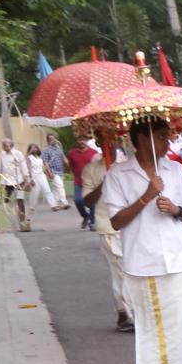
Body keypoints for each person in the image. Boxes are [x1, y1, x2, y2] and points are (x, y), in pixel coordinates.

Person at [100, 117, 182, 364]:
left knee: (178, 326)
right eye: (161, 137)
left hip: (177, 258)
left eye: (168, 136)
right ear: (141, 139)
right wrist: (146, 196)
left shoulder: (176, 170)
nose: (167, 142)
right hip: (141, 260)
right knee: (150, 327)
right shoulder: (119, 175)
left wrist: (176, 209)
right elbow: (116, 221)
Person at [80, 131, 134, 333]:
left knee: (127, 270)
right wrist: (104, 184)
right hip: (107, 226)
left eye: (114, 140)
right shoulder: (91, 169)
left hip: (131, 225)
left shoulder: (128, 165)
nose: (110, 143)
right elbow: (86, 201)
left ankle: (123, 312)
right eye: (105, 140)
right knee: (122, 269)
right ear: (100, 143)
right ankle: (130, 315)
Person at [66, 136, 100, 230]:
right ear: (77, 141)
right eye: (80, 139)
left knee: (92, 202)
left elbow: (97, 166)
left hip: (91, 181)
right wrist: (75, 175)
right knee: (78, 200)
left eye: (84, 140)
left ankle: (92, 222)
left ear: (87, 141)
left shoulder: (94, 153)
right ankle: (85, 216)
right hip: (78, 181)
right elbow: (71, 166)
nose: (82, 141)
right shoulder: (72, 153)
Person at [0, 139, 29, 230]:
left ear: (11, 145)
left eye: (5, 146)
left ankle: (22, 220)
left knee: (20, 200)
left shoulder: (18, 154)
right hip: (7, 181)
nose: (4, 147)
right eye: (3, 146)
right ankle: (6, 220)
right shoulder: (2, 154)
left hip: (18, 181)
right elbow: (1, 166)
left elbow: (23, 165)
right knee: (5, 200)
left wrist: (25, 176)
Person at [42, 133, 68, 209]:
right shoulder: (46, 150)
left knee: (56, 188)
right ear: (48, 140)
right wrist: (49, 172)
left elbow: (64, 157)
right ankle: (64, 202)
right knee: (60, 186)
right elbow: (45, 162)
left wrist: (71, 165)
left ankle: (55, 203)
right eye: (51, 139)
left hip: (60, 171)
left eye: (54, 139)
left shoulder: (58, 148)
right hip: (53, 171)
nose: (53, 140)